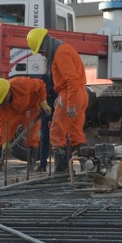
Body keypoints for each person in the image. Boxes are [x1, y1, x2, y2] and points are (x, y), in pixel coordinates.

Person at [26, 28, 89, 173]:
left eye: (40, 51)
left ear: (44, 45)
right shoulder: (62, 50)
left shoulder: (60, 53)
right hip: (78, 93)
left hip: (72, 94)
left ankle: (62, 172)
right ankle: (88, 168)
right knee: (76, 134)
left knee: (56, 134)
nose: (42, 54)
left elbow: (71, 79)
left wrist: (70, 102)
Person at [0, 77, 51, 166]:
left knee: (32, 137)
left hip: (31, 109)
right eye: (0, 103)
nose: (2, 104)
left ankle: (31, 165)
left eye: (3, 100)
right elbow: (4, 124)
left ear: (8, 92)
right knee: (0, 138)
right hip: (13, 113)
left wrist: (43, 102)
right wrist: (5, 143)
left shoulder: (22, 84)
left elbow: (41, 84)